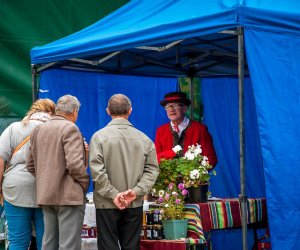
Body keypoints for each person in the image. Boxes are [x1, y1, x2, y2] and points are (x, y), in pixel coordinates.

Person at [89, 93, 159, 250]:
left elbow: (97, 172)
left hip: (106, 203)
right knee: (131, 245)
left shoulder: (98, 138)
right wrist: (135, 192)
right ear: (130, 111)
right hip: (133, 202)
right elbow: (152, 170)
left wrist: (113, 194)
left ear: (108, 111)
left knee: (107, 245)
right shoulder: (145, 139)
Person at [27, 94, 90, 250]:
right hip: (69, 196)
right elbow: (75, 165)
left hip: (46, 195)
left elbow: (30, 165)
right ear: (75, 111)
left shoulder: (38, 129)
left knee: (49, 242)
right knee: (69, 244)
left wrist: (46, 179)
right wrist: (84, 183)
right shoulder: (70, 128)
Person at [0, 98, 56, 250]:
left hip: (15, 189)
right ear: (51, 112)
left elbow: (0, 159)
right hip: (46, 190)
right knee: (46, 242)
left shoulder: (14, 128)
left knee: (17, 242)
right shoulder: (55, 130)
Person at [155, 91, 218, 166]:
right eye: (168, 106)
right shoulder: (161, 131)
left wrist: (194, 173)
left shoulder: (200, 129)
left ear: (184, 109)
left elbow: (211, 158)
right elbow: (155, 158)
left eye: (175, 105)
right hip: (167, 177)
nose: (171, 109)